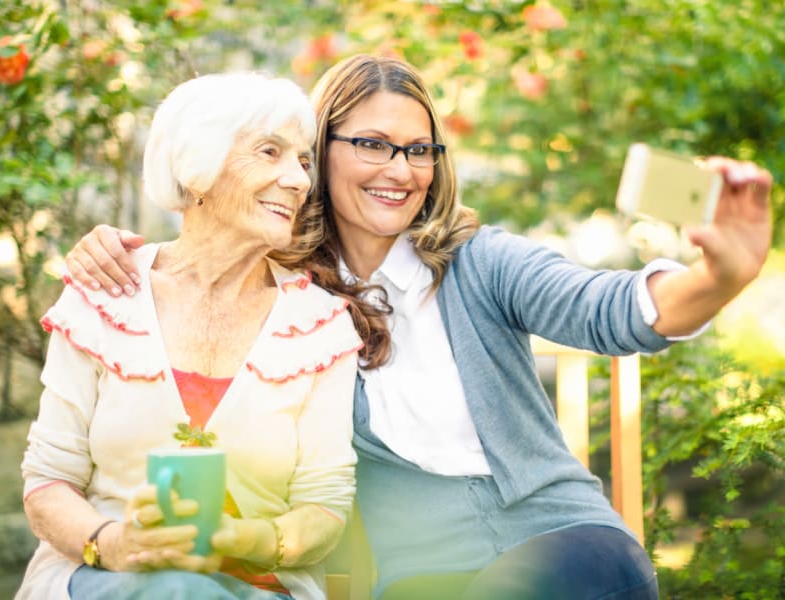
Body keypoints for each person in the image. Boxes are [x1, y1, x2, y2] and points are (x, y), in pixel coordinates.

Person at [65, 54, 773, 600]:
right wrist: (116, 248)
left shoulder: (482, 262)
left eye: (419, 150)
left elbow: (608, 307)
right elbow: (200, 261)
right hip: (419, 574)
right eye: (373, 144)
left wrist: (719, 279)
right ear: (321, 151)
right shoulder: (287, 295)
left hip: (566, 545)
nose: (400, 171)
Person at [18, 71, 365, 600]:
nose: (299, 180)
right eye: (269, 152)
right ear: (197, 168)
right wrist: (117, 545)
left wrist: (236, 539)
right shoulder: (103, 293)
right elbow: (48, 482)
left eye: (302, 161)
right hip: (101, 580)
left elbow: (324, 506)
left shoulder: (320, 326)